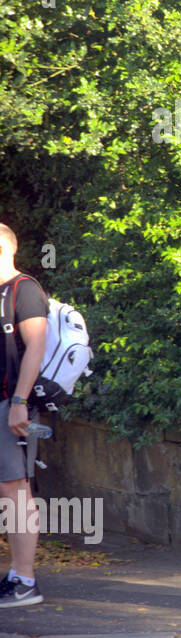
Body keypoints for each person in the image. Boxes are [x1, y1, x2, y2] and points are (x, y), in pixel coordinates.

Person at [0, 223, 49, 609]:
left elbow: (35, 347)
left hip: (9, 404)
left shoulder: (24, 289)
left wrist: (20, 399)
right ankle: (15, 574)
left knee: (16, 491)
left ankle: (26, 580)